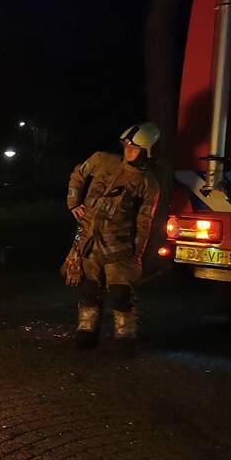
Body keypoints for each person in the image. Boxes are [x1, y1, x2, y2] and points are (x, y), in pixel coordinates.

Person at [66, 123, 160, 349]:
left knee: (120, 293)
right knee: (87, 287)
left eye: (135, 147)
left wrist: (137, 254)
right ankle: (86, 329)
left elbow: (144, 222)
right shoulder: (102, 160)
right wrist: (73, 203)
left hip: (119, 248)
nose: (128, 149)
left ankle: (125, 334)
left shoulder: (148, 184)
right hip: (88, 241)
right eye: (126, 144)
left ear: (147, 151)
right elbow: (78, 174)